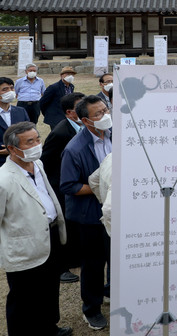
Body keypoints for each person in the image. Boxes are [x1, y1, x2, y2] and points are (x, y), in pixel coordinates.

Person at [0, 122, 72, 336]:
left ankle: (49, 327)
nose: (36, 145)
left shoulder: (37, 164)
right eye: (29, 142)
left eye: (37, 139)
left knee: (49, 289)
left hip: (50, 237)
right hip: (24, 247)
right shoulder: (3, 180)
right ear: (12, 149)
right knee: (22, 298)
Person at [60, 95, 112, 330]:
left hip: (116, 211)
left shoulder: (116, 135)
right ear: (85, 121)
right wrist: (103, 187)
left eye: (105, 109)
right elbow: (68, 185)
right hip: (90, 216)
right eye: (98, 114)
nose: (105, 115)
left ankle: (113, 292)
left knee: (117, 258)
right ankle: (91, 309)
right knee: (93, 264)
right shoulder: (75, 149)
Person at [41, 92, 86, 284]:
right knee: (63, 228)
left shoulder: (83, 127)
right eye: (81, 105)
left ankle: (74, 258)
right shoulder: (60, 133)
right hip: (61, 187)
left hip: (76, 185)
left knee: (75, 226)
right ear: (70, 112)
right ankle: (61, 268)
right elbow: (46, 162)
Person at [0, 77, 30, 166]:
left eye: (12, 88)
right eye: (5, 89)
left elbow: (29, 133)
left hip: (20, 160)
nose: (10, 91)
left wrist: (15, 149)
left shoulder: (21, 111)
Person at [89, 153, 112, 237]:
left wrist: (103, 199)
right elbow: (108, 209)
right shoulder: (129, 165)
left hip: (108, 225)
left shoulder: (111, 157)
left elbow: (93, 180)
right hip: (117, 231)